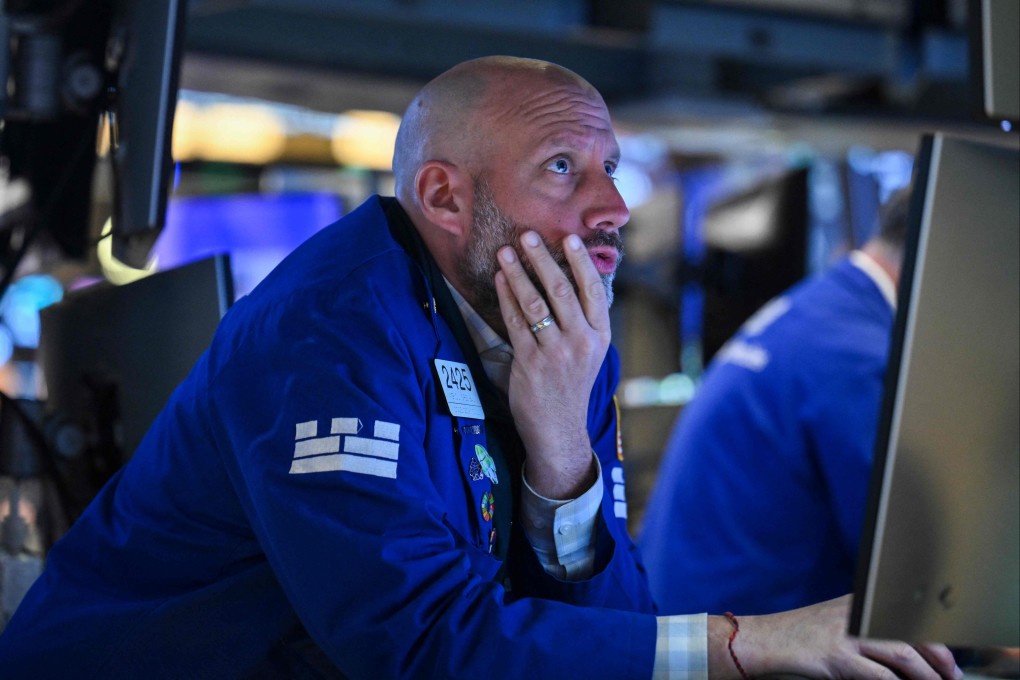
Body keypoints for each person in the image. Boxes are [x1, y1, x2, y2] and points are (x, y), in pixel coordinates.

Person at [0, 57, 957, 679]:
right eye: (562, 169)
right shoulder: (327, 335)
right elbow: (415, 647)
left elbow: (612, 619)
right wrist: (748, 646)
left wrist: (559, 464)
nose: (614, 204)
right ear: (445, 196)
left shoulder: (556, 325)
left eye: (612, 168)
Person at [639, 187, 912, 616]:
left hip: (689, 622)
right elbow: (907, 575)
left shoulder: (828, 309)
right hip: (734, 642)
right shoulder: (860, 356)